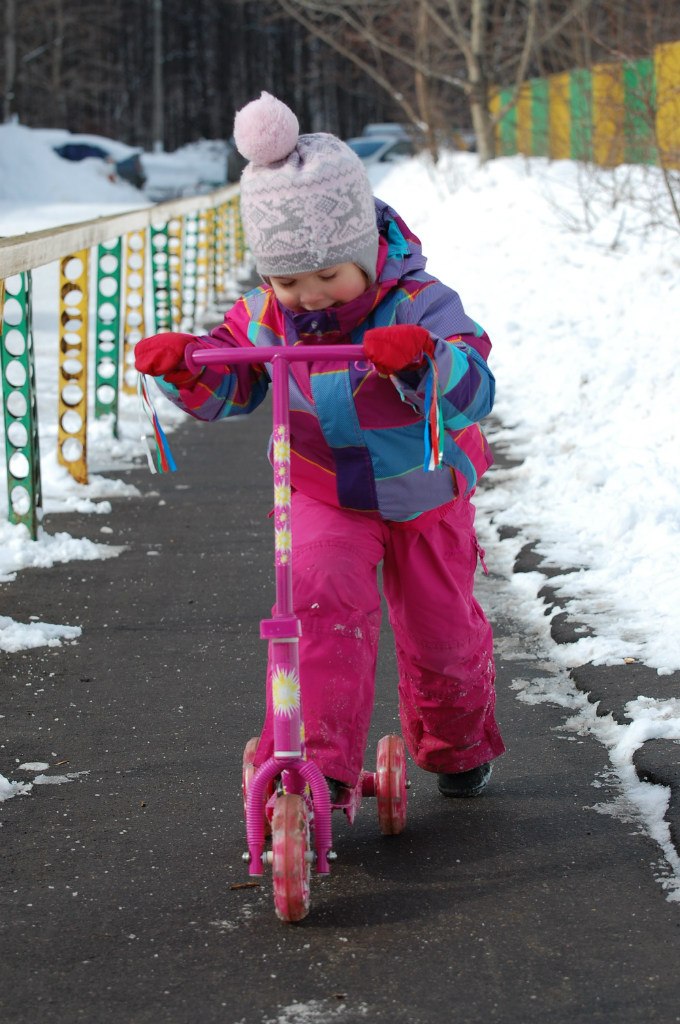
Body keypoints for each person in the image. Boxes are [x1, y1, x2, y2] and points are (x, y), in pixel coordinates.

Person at [134, 92, 505, 800]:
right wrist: (187, 367)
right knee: (316, 607)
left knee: (441, 634)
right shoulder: (266, 315)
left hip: (424, 489)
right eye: (287, 281)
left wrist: (422, 362)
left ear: (364, 247)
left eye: (327, 276)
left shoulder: (420, 303)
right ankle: (318, 766)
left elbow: (475, 390)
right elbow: (231, 385)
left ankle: (456, 744)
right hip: (325, 491)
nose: (308, 297)